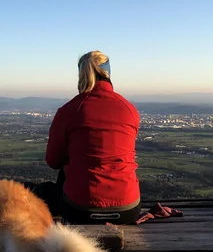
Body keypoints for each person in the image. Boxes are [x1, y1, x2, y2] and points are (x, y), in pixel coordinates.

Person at [27, 50, 141, 224]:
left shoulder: (70, 110)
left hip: (79, 210)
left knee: (40, 190)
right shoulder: (129, 110)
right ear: (108, 73)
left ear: (82, 74)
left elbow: (53, 161)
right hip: (128, 209)